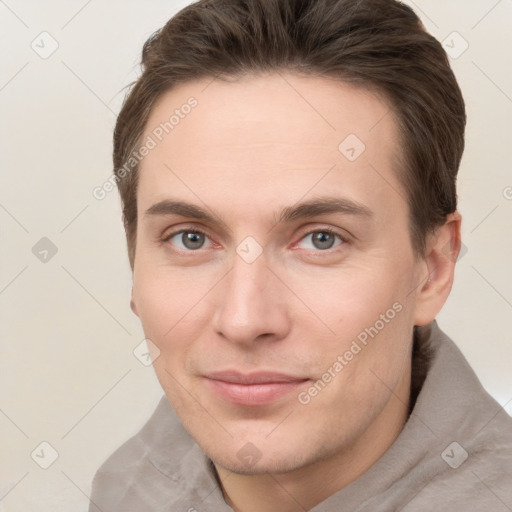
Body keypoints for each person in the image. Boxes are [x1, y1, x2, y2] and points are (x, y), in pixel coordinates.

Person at [88, 0, 512, 510]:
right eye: (191, 238)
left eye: (321, 239)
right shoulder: (126, 487)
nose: (244, 320)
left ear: (434, 270)